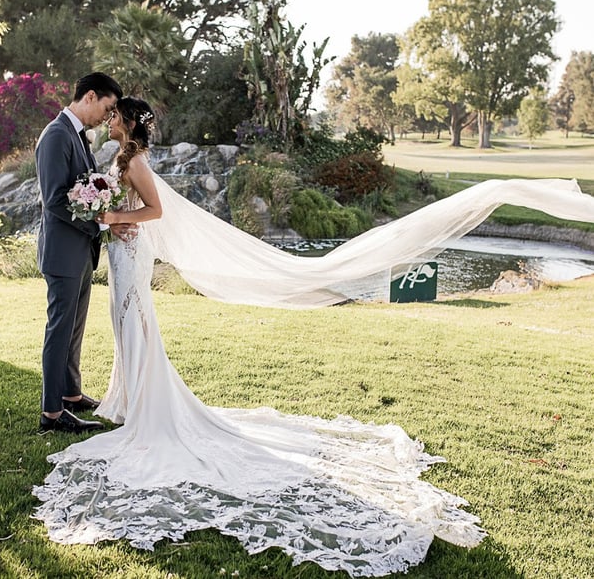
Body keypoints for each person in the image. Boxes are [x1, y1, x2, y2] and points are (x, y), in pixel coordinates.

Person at [34, 96, 594, 574]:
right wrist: (106, 210)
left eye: (114, 119)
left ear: (127, 124)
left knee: (134, 325)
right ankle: (128, 396)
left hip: (128, 251)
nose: (108, 123)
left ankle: (145, 406)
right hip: (124, 254)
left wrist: (110, 219)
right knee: (127, 327)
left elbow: (151, 211)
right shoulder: (124, 156)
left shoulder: (136, 164)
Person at [35, 72, 131, 434]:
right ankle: (52, 414)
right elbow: (56, 201)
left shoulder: (77, 137)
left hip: (79, 252)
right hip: (62, 253)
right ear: (89, 96)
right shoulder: (56, 136)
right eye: (106, 108)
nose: (107, 118)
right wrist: (102, 225)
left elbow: (85, 191)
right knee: (59, 330)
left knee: (74, 330)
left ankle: (71, 395)